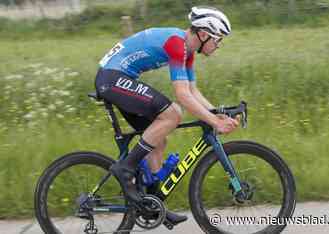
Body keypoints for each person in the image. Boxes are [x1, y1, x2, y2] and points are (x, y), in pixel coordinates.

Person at [95, 6, 240, 225]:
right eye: (218, 39)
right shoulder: (177, 44)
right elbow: (182, 95)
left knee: (158, 139)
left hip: (117, 78)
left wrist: (217, 115)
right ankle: (125, 169)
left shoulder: (187, 51)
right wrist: (213, 122)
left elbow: (192, 90)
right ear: (203, 34)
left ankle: (153, 204)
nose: (218, 45)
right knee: (172, 114)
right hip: (112, 78)